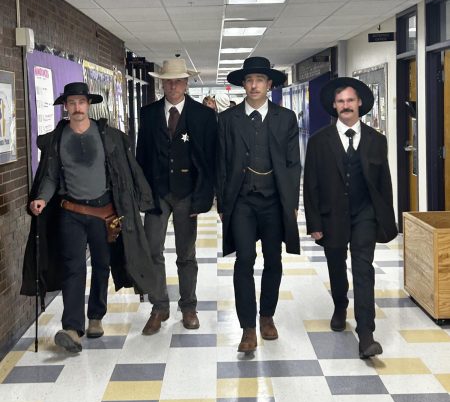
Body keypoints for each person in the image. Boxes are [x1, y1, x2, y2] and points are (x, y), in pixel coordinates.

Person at [21, 82, 155, 353]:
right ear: (65, 107)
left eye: (81, 102)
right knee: (74, 268)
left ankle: (96, 317)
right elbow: (50, 176)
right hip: (71, 212)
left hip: (103, 214)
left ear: (88, 105)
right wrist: (42, 199)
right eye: (72, 103)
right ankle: (72, 327)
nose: (77, 108)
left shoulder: (106, 136)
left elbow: (121, 173)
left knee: (102, 266)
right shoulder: (58, 139)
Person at [303, 77, 397, 359]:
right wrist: (314, 224)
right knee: (335, 264)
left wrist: (386, 220)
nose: (346, 106)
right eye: (340, 101)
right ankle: (340, 304)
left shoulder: (376, 140)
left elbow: (384, 183)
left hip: (364, 213)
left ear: (360, 104)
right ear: (334, 106)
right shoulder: (319, 141)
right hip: (331, 215)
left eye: (350, 101)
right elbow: (311, 184)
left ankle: (366, 333)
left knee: (363, 269)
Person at [216, 56, 301, 353]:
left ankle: (267, 317)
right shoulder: (227, 120)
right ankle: (247, 328)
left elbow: (293, 164)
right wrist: (223, 203)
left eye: (260, 80)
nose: (254, 85)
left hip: (274, 201)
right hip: (241, 201)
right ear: (243, 84)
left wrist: (292, 201)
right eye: (249, 80)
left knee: (273, 260)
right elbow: (222, 163)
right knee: (244, 260)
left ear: (269, 85)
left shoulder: (286, 118)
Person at [136, 58, 217, 334]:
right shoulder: (147, 114)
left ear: (186, 83)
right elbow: (141, 156)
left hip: (187, 193)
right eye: (168, 80)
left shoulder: (203, 116)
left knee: (187, 254)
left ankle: (189, 307)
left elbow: (209, 161)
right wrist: (142, 194)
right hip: (157, 194)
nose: (173, 85)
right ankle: (159, 307)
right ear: (161, 82)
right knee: (153, 250)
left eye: (178, 80)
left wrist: (203, 198)